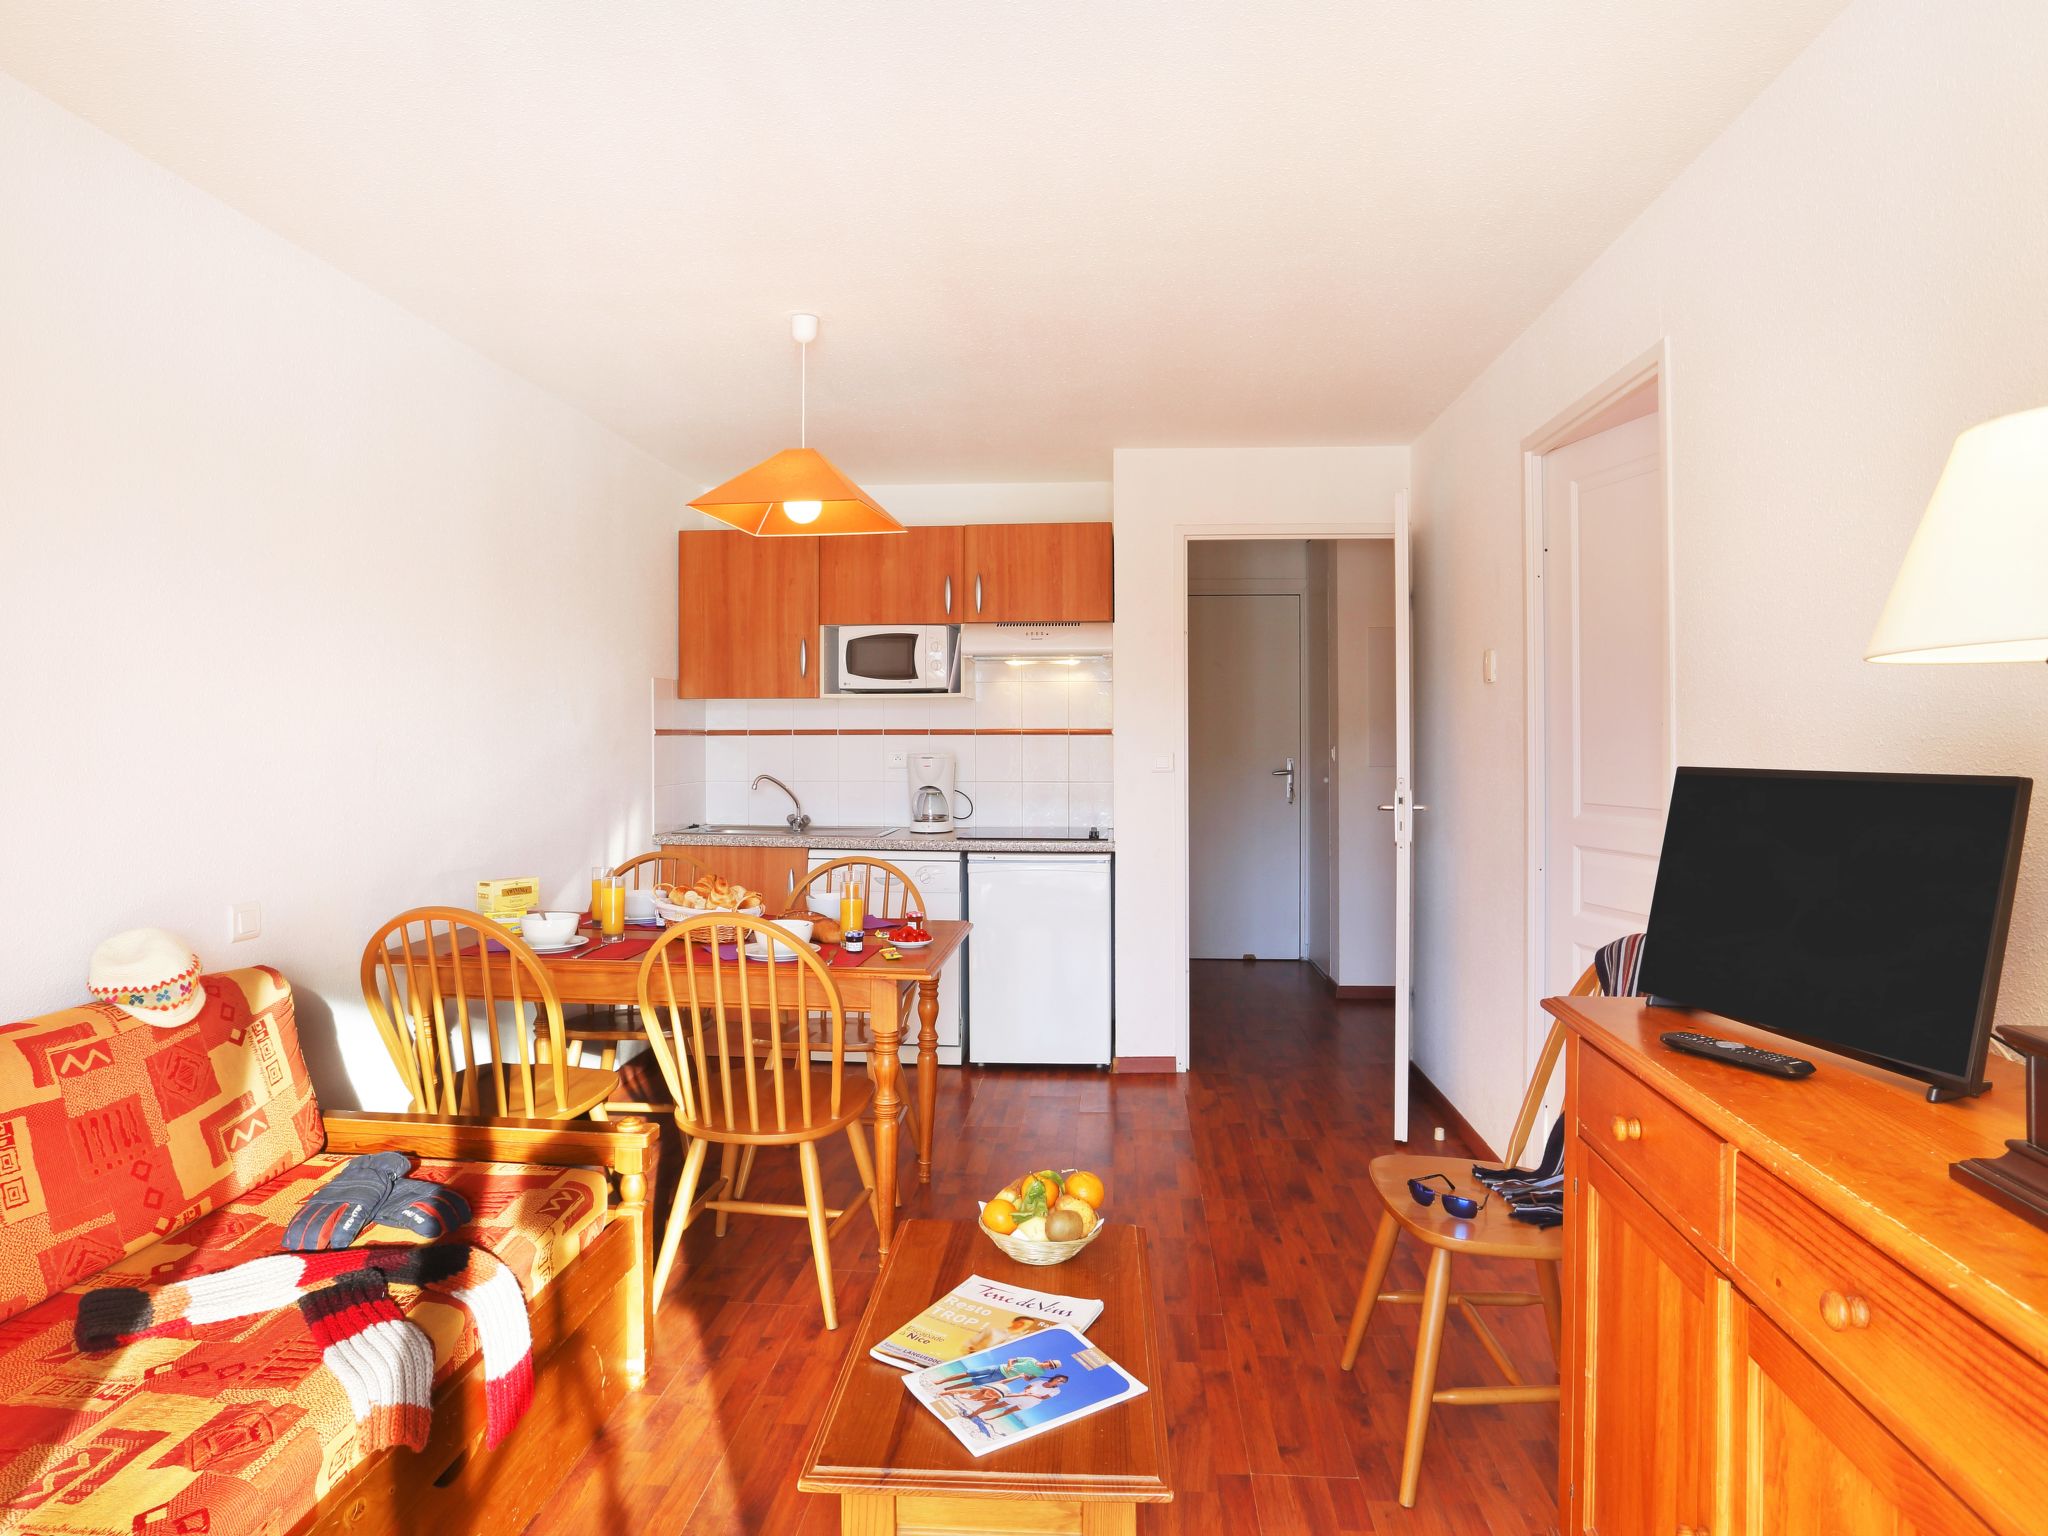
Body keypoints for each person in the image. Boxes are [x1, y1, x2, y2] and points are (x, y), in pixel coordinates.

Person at [967, 1373, 1070, 1427]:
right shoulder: (1040, 1381)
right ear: (1056, 1377)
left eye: (1063, 1382)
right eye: (1060, 1379)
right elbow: (1028, 1386)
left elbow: (1044, 1398)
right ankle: (973, 1414)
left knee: (1009, 1411)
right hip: (1020, 1396)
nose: (1060, 1381)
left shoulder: (1057, 1390)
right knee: (997, 1405)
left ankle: (992, 1419)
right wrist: (1027, 1391)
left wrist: (1032, 1394)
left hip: (1030, 1402)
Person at [931, 1354, 1058, 1393]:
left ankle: (947, 1389)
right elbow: (1012, 1359)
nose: (1049, 1366)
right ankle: (941, 1381)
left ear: (1051, 1369)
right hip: (998, 1367)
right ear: (1048, 1360)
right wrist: (1009, 1366)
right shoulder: (1031, 1359)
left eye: (1051, 1367)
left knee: (973, 1382)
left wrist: (1024, 1377)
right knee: (968, 1373)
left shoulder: (1040, 1372)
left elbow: (1029, 1379)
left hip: (1003, 1376)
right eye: (1050, 1363)